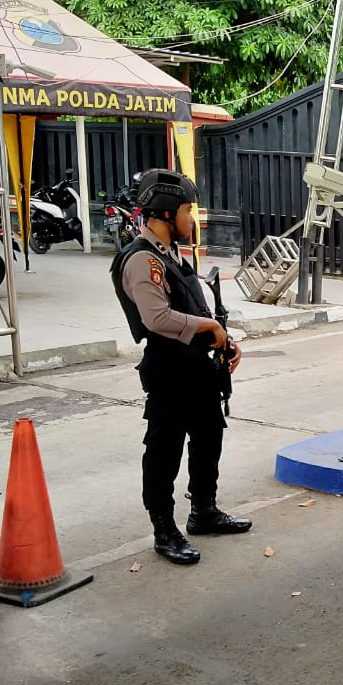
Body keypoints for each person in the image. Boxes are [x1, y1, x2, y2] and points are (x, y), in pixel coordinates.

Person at [110, 168, 250, 566]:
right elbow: (157, 319)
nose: (194, 219)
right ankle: (164, 529)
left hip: (198, 368)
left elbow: (193, 308)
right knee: (164, 451)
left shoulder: (171, 255)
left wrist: (225, 340)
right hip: (169, 371)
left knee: (209, 438)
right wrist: (207, 327)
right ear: (168, 213)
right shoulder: (142, 259)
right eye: (189, 210)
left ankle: (203, 511)